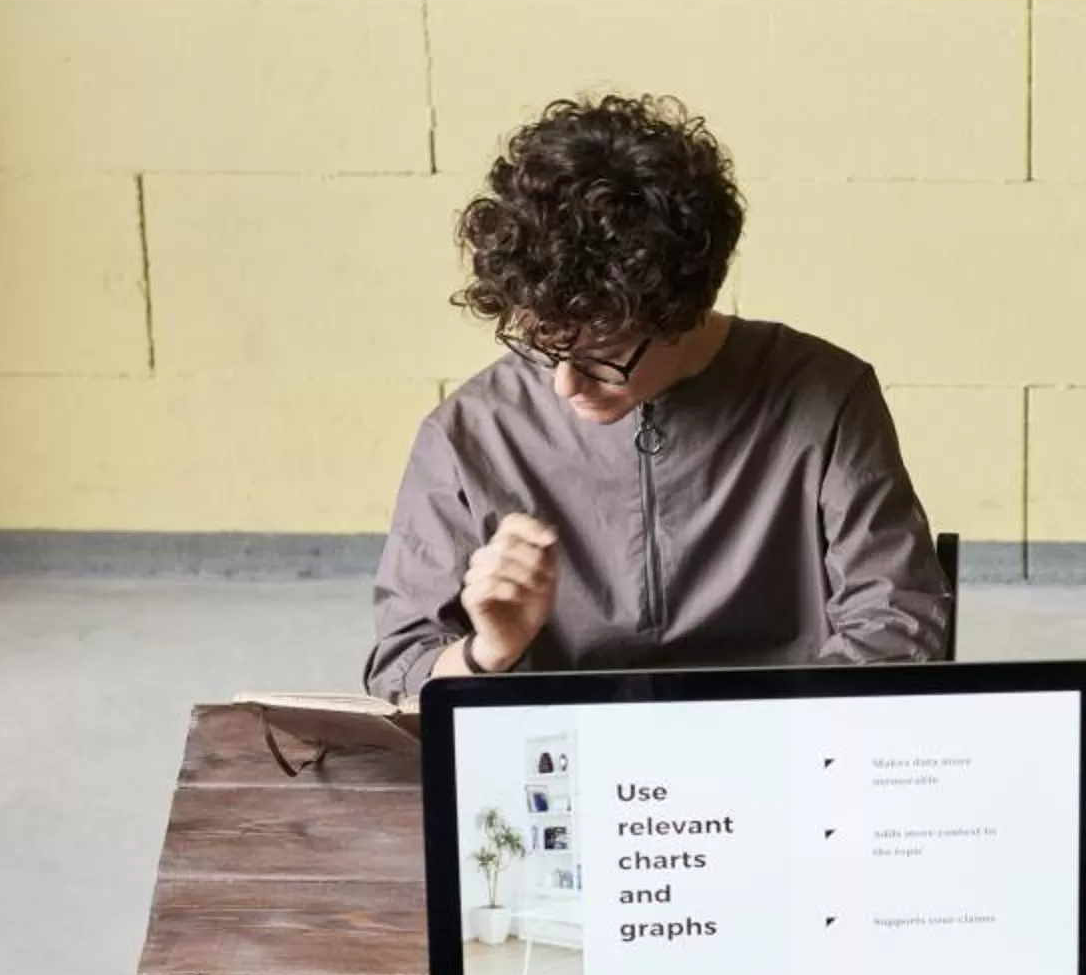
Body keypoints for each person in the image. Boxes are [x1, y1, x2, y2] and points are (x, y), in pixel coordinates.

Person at [366, 93, 949, 700]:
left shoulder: (826, 395)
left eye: (601, 356)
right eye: (543, 346)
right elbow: (401, 674)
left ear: (684, 312)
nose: (566, 384)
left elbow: (896, 624)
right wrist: (488, 653)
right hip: (559, 764)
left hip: (785, 747)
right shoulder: (470, 431)